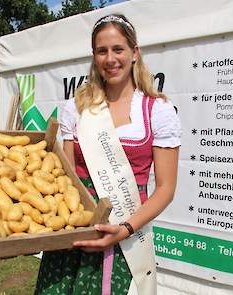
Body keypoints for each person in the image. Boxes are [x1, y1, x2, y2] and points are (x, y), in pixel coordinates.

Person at [35, 14, 181, 295]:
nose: (110, 59)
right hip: (74, 232)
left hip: (126, 235)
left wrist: (124, 229)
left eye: (118, 49)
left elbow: (166, 188)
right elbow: (64, 179)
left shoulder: (157, 111)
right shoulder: (76, 108)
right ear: (94, 56)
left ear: (134, 53)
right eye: (102, 51)